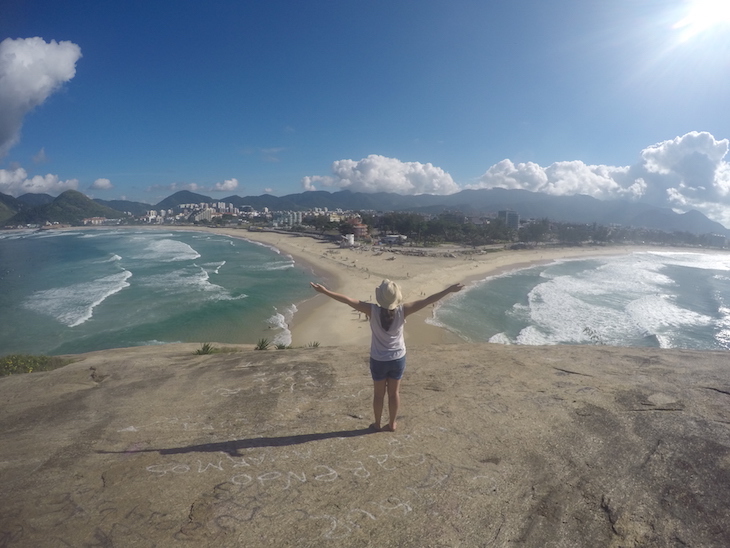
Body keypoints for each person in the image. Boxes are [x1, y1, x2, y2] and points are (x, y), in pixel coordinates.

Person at [310, 279, 464, 432]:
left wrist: (325, 291)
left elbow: (348, 300)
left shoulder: (371, 310)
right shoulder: (403, 310)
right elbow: (428, 300)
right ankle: (392, 424)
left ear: (380, 297)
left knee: (378, 395)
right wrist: (449, 289)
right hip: (397, 359)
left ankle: (377, 424)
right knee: (394, 393)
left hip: (378, 360)